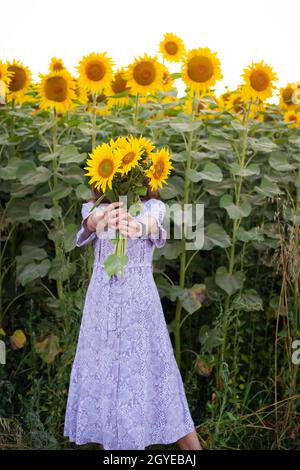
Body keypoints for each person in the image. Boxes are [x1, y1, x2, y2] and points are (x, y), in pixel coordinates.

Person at [63, 182, 202, 451]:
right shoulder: (96, 208)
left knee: (159, 374)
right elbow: (89, 223)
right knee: (105, 377)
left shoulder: (153, 207)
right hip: (101, 307)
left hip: (138, 307)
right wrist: (99, 219)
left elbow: (151, 223)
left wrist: (136, 226)